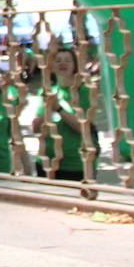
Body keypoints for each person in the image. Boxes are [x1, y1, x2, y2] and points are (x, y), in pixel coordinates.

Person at [31, 46, 98, 181]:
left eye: (68, 60)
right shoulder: (46, 92)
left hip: (76, 164)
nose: (63, 63)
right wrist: (48, 107)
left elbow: (83, 128)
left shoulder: (85, 92)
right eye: (58, 60)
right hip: (47, 163)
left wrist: (59, 108)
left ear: (75, 65)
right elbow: (35, 127)